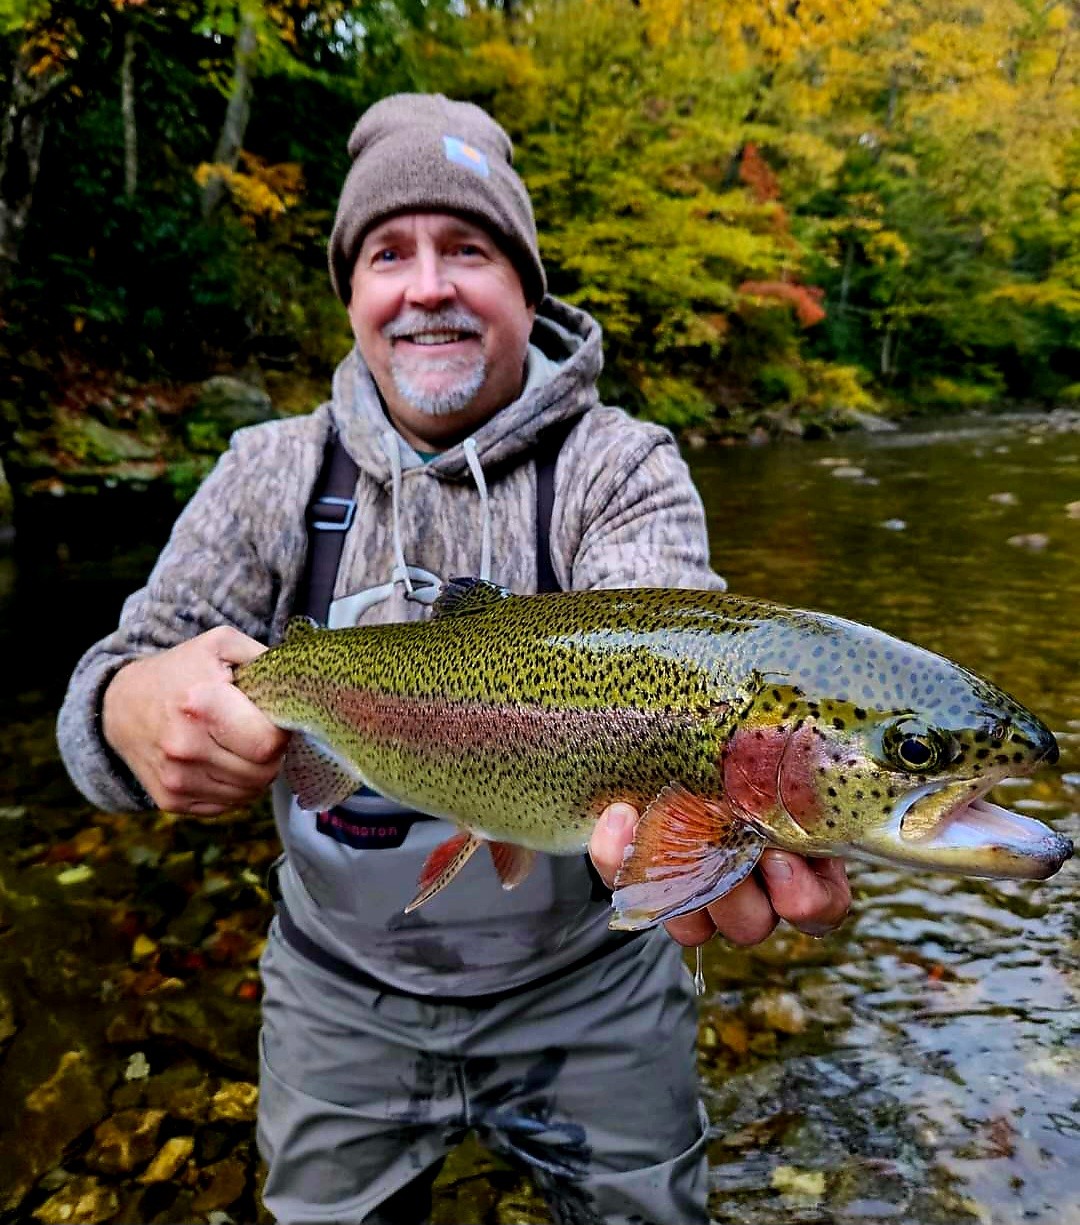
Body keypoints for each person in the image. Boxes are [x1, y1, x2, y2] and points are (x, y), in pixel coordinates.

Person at [57, 94, 850, 1225]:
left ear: (526, 285)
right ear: (352, 298)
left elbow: (668, 641)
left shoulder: (619, 468)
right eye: (389, 252)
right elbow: (99, 698)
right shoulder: (268, 474)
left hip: (591, 985)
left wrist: (713, 810)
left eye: (467, 249)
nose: (427, 283)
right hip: (339, 995)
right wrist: (133, 709)